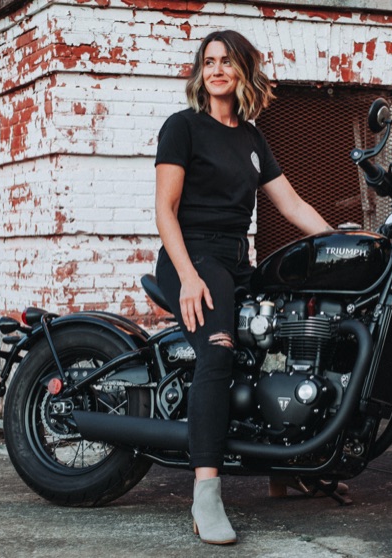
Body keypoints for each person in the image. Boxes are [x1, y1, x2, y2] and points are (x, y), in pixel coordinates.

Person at [154, 30, 332, 545]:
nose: (216, 70)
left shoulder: (253, 139)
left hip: (237, 262)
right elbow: (165, 210)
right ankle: (205, 496)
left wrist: (344, 240)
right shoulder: (183, 127)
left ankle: (283, 467)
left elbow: (291, 205)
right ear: (199, 73)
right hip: (191, 257)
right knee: (219, 353)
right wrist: (188, 275)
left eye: (226, 62)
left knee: (281, 342)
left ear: (242, 72)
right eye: (207, 62)